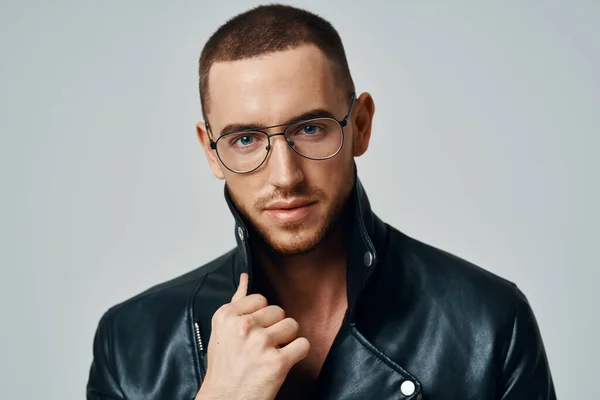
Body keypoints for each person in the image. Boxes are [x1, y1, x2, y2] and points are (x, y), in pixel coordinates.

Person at [87, 4, 556, 400]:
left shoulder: (490, 323)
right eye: (246, 139)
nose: (285, 176)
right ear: (212, 152)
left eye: (310, 129)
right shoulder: (130, 343)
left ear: (361, 126)